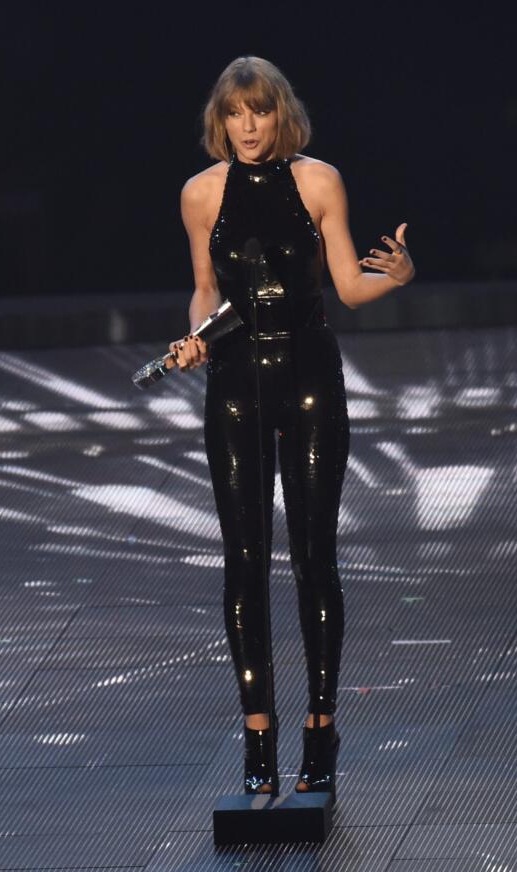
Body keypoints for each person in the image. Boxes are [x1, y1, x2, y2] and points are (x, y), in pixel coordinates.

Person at [169, 56, 415, 797]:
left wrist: (397, 278)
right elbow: (205, 291)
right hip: (235, 388)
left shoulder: (318, 181)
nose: (247, 127)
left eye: (260, 112)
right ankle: (256, 738)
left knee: (314, 556)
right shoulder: (199, 194)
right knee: (243, 561)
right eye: (235, 114)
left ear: (281, 114)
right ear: (221, 120)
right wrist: (198, 337)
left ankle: (319, 727)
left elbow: (345, 285)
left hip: (310, 381)